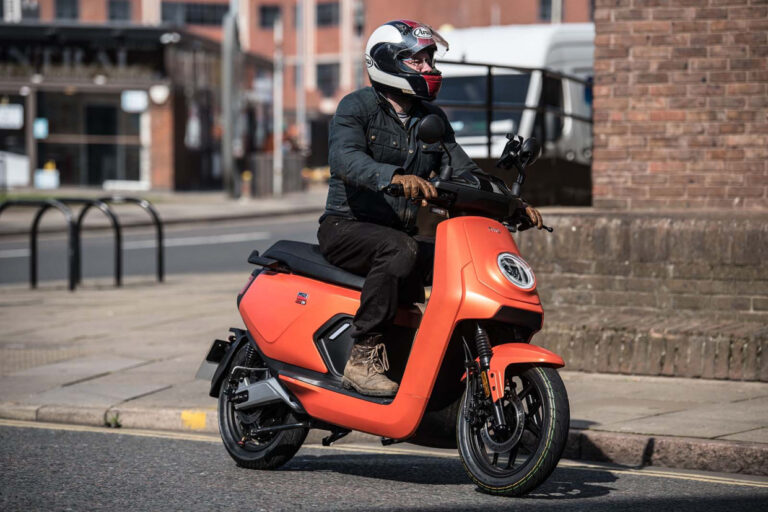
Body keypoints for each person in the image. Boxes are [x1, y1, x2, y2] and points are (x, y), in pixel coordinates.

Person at [317, 20, 544, 397]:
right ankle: (362, 357)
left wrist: (512, 204)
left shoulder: (431, 120)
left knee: (460, 260)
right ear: (387, 62)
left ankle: (454, 364)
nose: (429, 68)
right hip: (346, 228)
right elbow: (345, 158)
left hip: (397, 234)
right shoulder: (356, 107)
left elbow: (466, 170)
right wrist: (394, 176)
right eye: (418, 60)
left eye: (430, 60)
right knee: (400, 249)